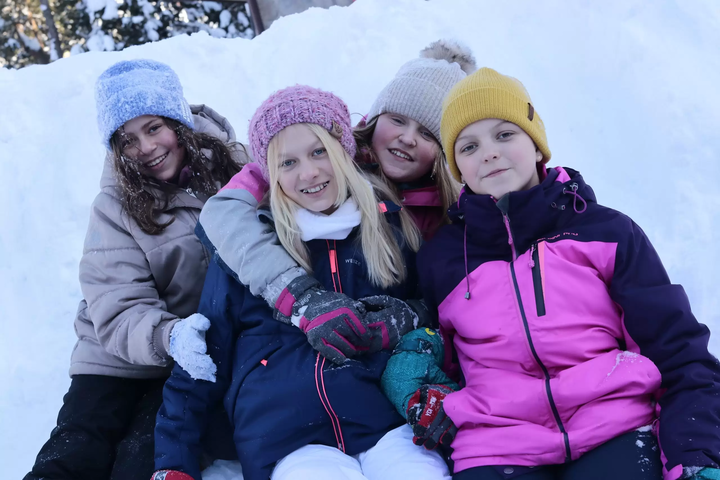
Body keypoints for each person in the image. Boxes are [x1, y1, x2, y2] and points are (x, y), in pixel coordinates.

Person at [381, 67, 720, 480]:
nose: (489, 152)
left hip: (612, 426)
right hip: (495, 443)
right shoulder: (443, 258)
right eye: (469, 146)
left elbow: (677, 349)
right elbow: (442, 351)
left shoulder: (606, 232)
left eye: (505, 134)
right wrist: (417, 363)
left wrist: (695, 453)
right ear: (457, 169)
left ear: (537, 145)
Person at [152, 85, 450, 480]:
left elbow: (437, 317)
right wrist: (173, 462)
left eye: (319, 151)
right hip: (287, 439)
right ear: (269, 175)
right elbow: (203, 359)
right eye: (288, 162)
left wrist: (402, 324)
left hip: (384, 424)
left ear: (344, 151)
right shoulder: (248, 254)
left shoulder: (389, 232)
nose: (308, 172)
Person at [180, 40, 473, 376]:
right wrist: (299, 295)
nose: (408, 138)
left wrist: (409, 316)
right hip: (297, 353)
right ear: (376, 117)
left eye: (427, 133)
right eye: (397, 119)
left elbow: (447, 298)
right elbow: (224, 212)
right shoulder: (322, 152)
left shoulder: (445, 212)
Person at [24, 59, 245, 480]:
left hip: (188, 360)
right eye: (127, 140)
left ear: (178, 121)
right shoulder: (114, 205)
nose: (145, 147)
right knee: (77, 446)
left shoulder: (235, 170)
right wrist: (169, 335)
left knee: (144, 452)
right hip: (114, 354)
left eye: (154, 127)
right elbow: (118, 303)